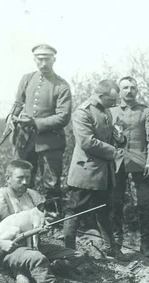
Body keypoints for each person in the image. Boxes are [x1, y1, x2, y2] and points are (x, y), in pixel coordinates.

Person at [62, 79, 128, 260]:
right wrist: (114, 151)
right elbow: (86, 142)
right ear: (100, 96)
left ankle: (111, 248)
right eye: (112, 101)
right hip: (86, 172)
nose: (115, 105)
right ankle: (68, 252)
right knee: (74, 210)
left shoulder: (105, 109)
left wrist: (120, 139)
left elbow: (108, 137)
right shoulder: (82, 112)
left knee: (105, 210)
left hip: (104, 173)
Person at [8, 44, 72, 215]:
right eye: (39, 59)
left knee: (51, 182)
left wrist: (35, 123)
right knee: (22, 178)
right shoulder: (27, 78)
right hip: (24, 140)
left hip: (50, 143)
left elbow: (63, 117)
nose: (43, 63)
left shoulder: (61, 85)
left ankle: (52, 219)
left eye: (47, 59)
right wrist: (10, 118)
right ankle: (21, 214)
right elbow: (18, 103)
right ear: (34, 59)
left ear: (54, 60)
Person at [110, 77, 149, 258]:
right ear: (119, 91)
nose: (129, 91)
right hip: (116, 163)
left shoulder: (145, 111)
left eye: (132, 88)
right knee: (115, 203)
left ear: (137, 90)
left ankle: (145, 245)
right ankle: (116, 244)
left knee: (144, 204)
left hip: (140, 164)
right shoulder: (111, 110)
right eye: (125, 88)